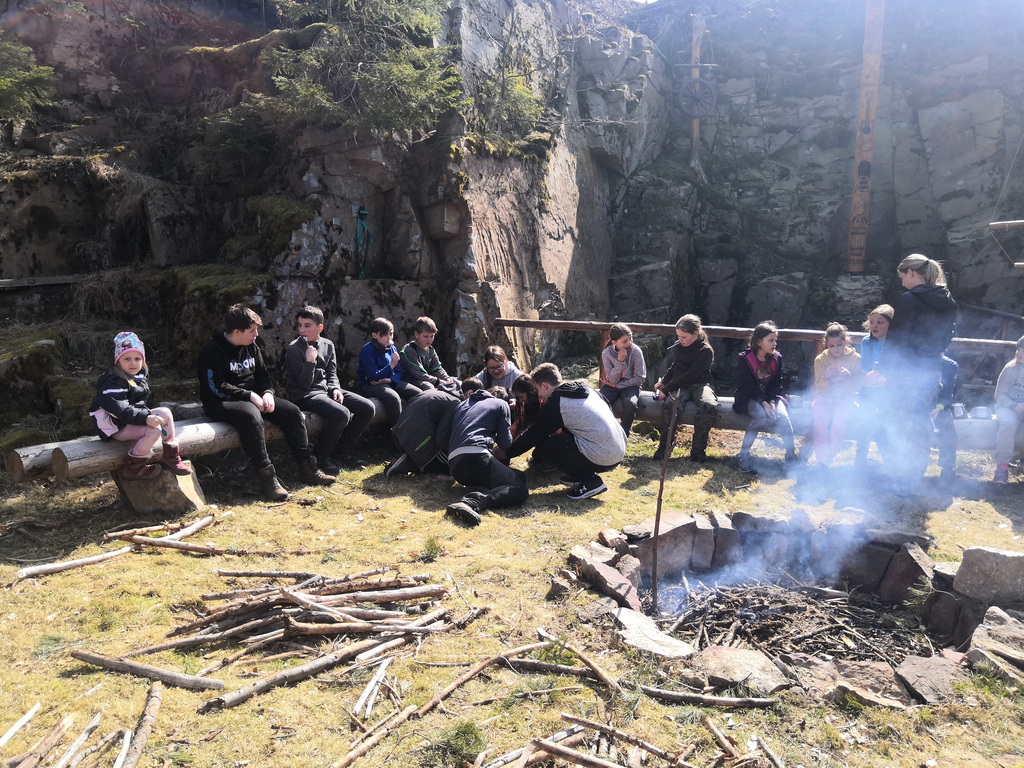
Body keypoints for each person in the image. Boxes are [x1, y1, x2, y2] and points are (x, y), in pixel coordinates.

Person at [198, 304, 334, 501]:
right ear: (237, 331)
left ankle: (307, 467)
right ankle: (268, 478)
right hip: (220, 401)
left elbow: (263, 376)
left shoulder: (252, 346)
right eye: (252, 330)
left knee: (292, 412)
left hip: (254, 398)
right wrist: (249, 396)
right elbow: (215, 386)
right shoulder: (212, 350)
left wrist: (268, 393)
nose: (256, 334)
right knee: (250, 416)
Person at [883, 254, 958, 481]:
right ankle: (915, 476)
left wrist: (884, 369)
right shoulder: (948, 300)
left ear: (911, 273)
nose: (902, 282)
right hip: (931, 370)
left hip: (906, 373)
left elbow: (898, 338)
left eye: (902, 277)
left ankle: (901, 476)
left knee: (901, 423)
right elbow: (949, 334)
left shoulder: (909, 299)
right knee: (920, 423)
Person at [506, 363, 626, 500]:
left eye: (537, 389)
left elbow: (534, 434)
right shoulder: (586, 389)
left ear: (544, 385)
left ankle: (590, 481)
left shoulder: (558, 402)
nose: (538, 394)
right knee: (563, 438)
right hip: (618, 449)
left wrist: (507, 453)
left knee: (545, 446)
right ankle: (579, 474)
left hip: (603, 456)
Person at [284, 306, 374, 474]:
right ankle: (320, 457)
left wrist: (335, 389)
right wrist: (310, 361)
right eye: (299, 325)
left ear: (320, 328)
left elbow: (332, 373)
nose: (302, 330)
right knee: (341, 413)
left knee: (367, 407)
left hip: (325, 391)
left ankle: (341, 451)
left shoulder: (328, 345)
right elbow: (303, 385)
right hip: (305, 395)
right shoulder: (294, 349)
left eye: (307, 325)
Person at [89, 331, 190, 480]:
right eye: (127, 359)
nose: (133, 363)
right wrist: (146, 418)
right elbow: (120, 410)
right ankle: (133, 468)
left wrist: (147, 416)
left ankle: (171, 457)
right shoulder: (112, 381)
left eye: (137, 359)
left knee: (165, 413)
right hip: (114, 426)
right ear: (118, 360)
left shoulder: (138, 377)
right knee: (154, 431)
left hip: (129, 420)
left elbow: (138, 405)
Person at [444, 379, 528, 526]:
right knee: (519, 489)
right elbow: (505, 443)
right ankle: (472, 502)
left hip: (455, 465)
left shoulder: (463, 404)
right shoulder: (500, 404)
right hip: (476, 456)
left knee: (519, 477)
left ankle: (481, 492)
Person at [733, 321, 797, 473]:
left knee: (784, 418)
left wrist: (772, 402)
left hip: (771, 397)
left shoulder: (777, 358)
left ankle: (791, 457)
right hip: (750, 396)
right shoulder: (745, 358)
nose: (775, 343)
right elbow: (748, 385)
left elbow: (776, 383)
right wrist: (763, 403)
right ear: (759, 342)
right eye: (770, 340)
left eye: (775, 340)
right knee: (760, 417)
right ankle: (743, 455)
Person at [652, 314, 718, 462]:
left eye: (684, 337)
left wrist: (666, 390)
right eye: (678, 336)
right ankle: (664, 447)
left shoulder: (706, 351)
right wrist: (664, 381)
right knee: (670, 404)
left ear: (695, 334)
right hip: (680, 384)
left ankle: (698, 451)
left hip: (700, 384)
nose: (680, 340)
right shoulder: (679, 345)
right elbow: (675, 366)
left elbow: (691, 375)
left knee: (708, 405)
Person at [811, 323, 862, 466]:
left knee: (838, 422)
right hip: (824, 397)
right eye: (831, 346)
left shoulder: (855, 358)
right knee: (820, 421)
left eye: (839, 345)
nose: (836, 349)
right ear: (826, 345)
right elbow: (819, 387)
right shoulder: (820, 359)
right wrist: (827, 376)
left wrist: (847, 377)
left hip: (845, 398)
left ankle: (830, 456)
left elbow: (857, 388)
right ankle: (822, 459)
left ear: (846, 341)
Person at [357, 317, 421, 425]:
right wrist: (391, 366)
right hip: (370, 384)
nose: (389, 337)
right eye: (384, 334)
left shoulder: (392, 348)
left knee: (418, 394)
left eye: (391, 334)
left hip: (389, 381)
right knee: (393, 398)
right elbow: (373, 376)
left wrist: (390, 380)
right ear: (375, 335)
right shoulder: (367, 350)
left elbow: (399, 372)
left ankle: (416, 424)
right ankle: (398, 429)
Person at [385, 388, 462, 478]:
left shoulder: (437, 391)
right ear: (469, 393)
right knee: (452, 464)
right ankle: (409, 463)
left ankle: (411, 457)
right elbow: (441, 439)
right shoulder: (455, 403)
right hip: (416, 440)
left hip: (399, 433)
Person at [855, 304, 893, 467]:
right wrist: (868, 378)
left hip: (888, 390)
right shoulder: (867, 341)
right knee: (864, 422)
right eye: (872, 322)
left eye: (880, 322)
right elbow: (865, 365)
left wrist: (885, 379)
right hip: (869, 389)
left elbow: (898, 366)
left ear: (890, 325)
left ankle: (889, 460)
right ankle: (860, 461)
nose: (875, 326)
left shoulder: (895, 343)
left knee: (884, 425)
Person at [599, 323, 646, 437]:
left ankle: (623, 434)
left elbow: (639, 378)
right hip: (611, 385)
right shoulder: (607, 353)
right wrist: (620, 361)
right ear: (614, 342)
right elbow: (612, 380)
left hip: (631, 386)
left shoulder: (636, 351)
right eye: (624, 341)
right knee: (600, 401)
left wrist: (618, 386)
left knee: (630, 403)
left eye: (630, 339)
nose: (629, 343)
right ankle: (606, 431)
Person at [400, 316, 461, 396]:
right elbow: (417, 374)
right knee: (428, 386)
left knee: (456, 381)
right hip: (409, 380)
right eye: (426, 336)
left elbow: (437, 369)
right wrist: (438, 381)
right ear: (416, 334)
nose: (429, 340)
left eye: (432, 336)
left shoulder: (431, 349)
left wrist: (447, 378)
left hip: (425, 378)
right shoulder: (409, 350)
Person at [993, 336, 1024, 484]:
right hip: (1008, 407)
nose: (1019, 353)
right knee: (1008, 424)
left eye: (1023, 351)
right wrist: (1013, 405)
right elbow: (999, 394)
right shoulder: (1010, 368)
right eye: (1018, 349)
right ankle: (1002, 468)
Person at [932, 354, 959, 483]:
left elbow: (948, 392)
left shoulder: (950, 365)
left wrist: (938, 408)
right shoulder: (915, 361)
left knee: (948, 432)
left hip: (939, 408)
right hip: (916, 405)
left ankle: (947, 468)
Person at [509, 374, 539, 438]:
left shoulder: (541, 405)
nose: (520, 400)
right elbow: (518, 425)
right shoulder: (525, 407)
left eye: (521, 397)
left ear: (530, 393)